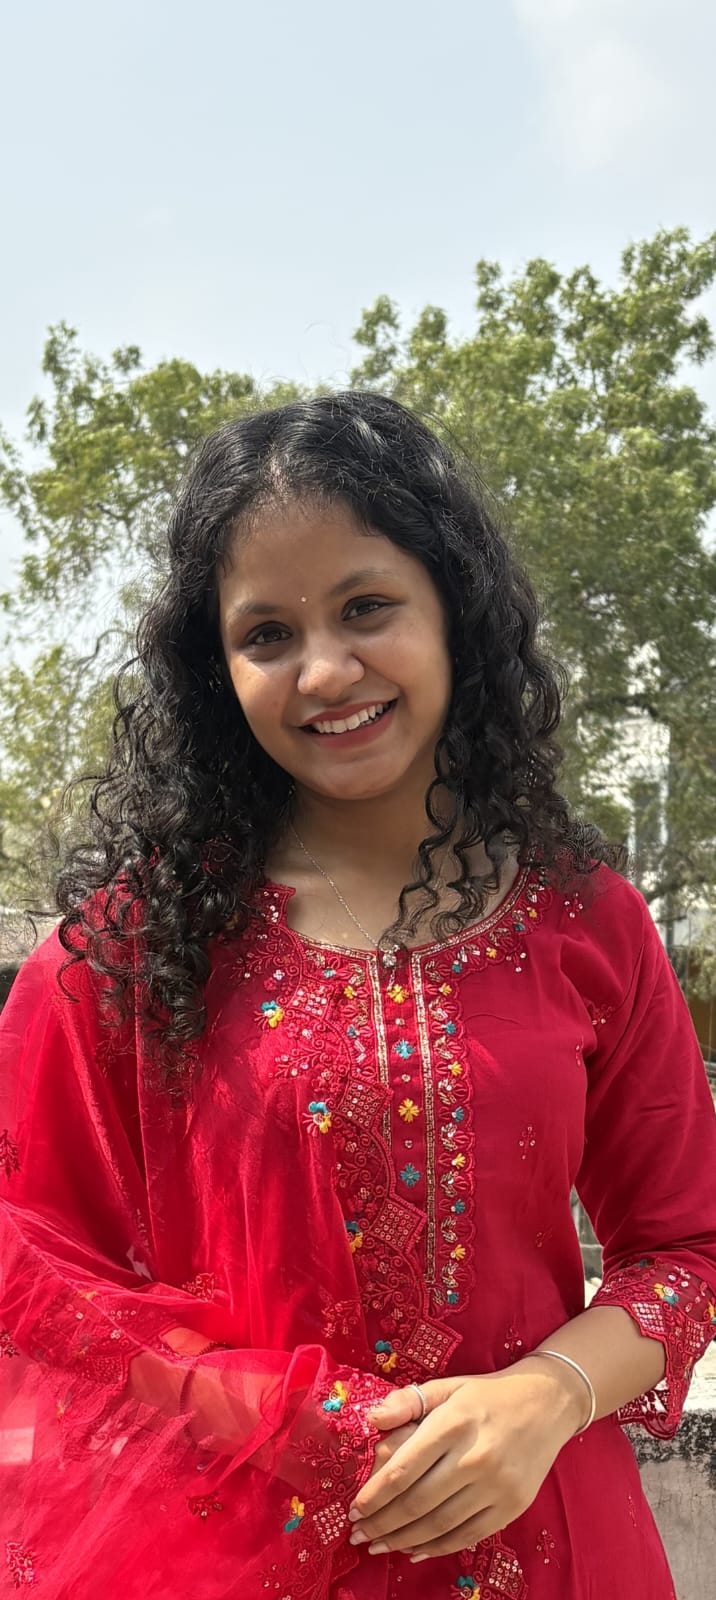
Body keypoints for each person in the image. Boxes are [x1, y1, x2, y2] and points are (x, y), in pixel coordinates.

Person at [1, 392, 715, 1600]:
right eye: (266, 632)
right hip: (233, 1551)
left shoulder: (584, 921)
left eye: (366, 607)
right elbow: (35, 1269)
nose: (325, 670)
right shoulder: (128, 950)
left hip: (550, 1538)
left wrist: (547, 1394)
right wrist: (284, 1415)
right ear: (216, 667)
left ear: (453, 611)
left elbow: (685, 1243)